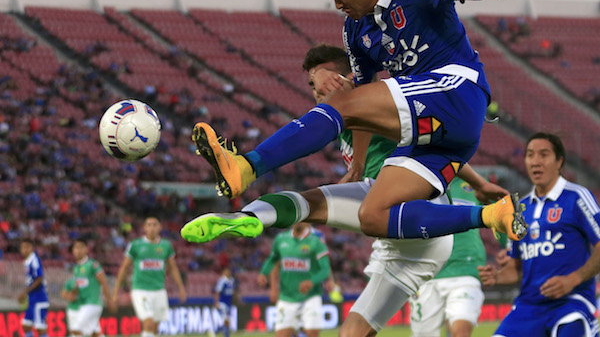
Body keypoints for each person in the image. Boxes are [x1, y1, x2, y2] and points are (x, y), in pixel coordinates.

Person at [183, 0, 565, 244]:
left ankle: (248, 165)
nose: (337, 4)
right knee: (372, 215)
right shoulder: (354, 31)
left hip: (457, 90)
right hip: (440, 137)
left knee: (341, 100)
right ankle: (492, 215)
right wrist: (359, 162)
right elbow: (364, 98)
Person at [184, 45, 507, 337]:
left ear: (346, 77)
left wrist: (359, 144)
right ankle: (247, 217)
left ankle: (252, 202)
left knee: (310, 204)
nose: (316, 90)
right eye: (311, 85)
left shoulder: (375, 101)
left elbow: (366, 104)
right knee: (352, 332)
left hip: (412, 205)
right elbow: (433, 147)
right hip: (402, 246)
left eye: (321, 80)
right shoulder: (345, 119)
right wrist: (480, 184)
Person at [478, 133, 600, 336]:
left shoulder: (576, 197)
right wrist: (497, 276)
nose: (535, 161)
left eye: (543, 155)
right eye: (530, 155)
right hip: (528, 307)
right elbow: (516, 268)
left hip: (571, 303)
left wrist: (573, 279)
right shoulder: (519, 210)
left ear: (559, 161)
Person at [409, 178, 487, 337]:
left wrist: (509, 248)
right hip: (426, 273)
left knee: (461, 333)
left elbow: (501, 212)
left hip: (465, 269)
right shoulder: (416, 180)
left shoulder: (476, 183)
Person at [112, 216, 187, 337]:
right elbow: (124, 268)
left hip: (159, 290)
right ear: (144, 228)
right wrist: (116, 291)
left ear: (160, 227)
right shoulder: (135, 245)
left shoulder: (166, 245)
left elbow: (173, 268)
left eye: (155, 225)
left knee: (155, 328)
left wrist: (181, 288)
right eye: (149, 225)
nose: (152, 228)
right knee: (148, 323)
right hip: (140, 290)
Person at [258, 222, 331, 337]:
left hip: (310, 297)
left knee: (312, 334)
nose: (298, 221)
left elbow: (325, 270)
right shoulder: (281, 239)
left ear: (307, 220)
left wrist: (312, 282)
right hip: (287, 297)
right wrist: (263, 273)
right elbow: (273, 260)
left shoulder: (316, 241)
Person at [64, 238, 112, 337]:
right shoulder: (76, 268)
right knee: (95, 333)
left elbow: (104, 282)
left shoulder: (92, 265)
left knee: (76, 329)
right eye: (76, 248)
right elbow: (79, 286)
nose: (79, 250)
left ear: (86, 249)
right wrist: (72, 293)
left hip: (92, 303)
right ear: (73, 251)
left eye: (81, 247)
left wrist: (109, 300)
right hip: (83, 304)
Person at [18, 239, 49, 337]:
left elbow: (39, 278)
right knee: (26, 325)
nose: (25, 249)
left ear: (32, 248)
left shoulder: (34, 260)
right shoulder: (28, 261)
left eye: (27, 247)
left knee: (40, 328)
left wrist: (25, 292)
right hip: (32, 300)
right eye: (23, 247)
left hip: (39, 299)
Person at [213, 267, 237, 337]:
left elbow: (233, 291)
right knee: (226, 319)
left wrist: (237, 299)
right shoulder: (222, 280)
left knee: (227, 320)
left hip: (228, 303)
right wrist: (216, 302)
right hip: (222, 303)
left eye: (228, 271)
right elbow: (217, 291)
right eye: (226, 272)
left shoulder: (232, 280)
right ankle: (226, 334)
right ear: (223, 272)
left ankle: (216, 331)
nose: (228, 273)